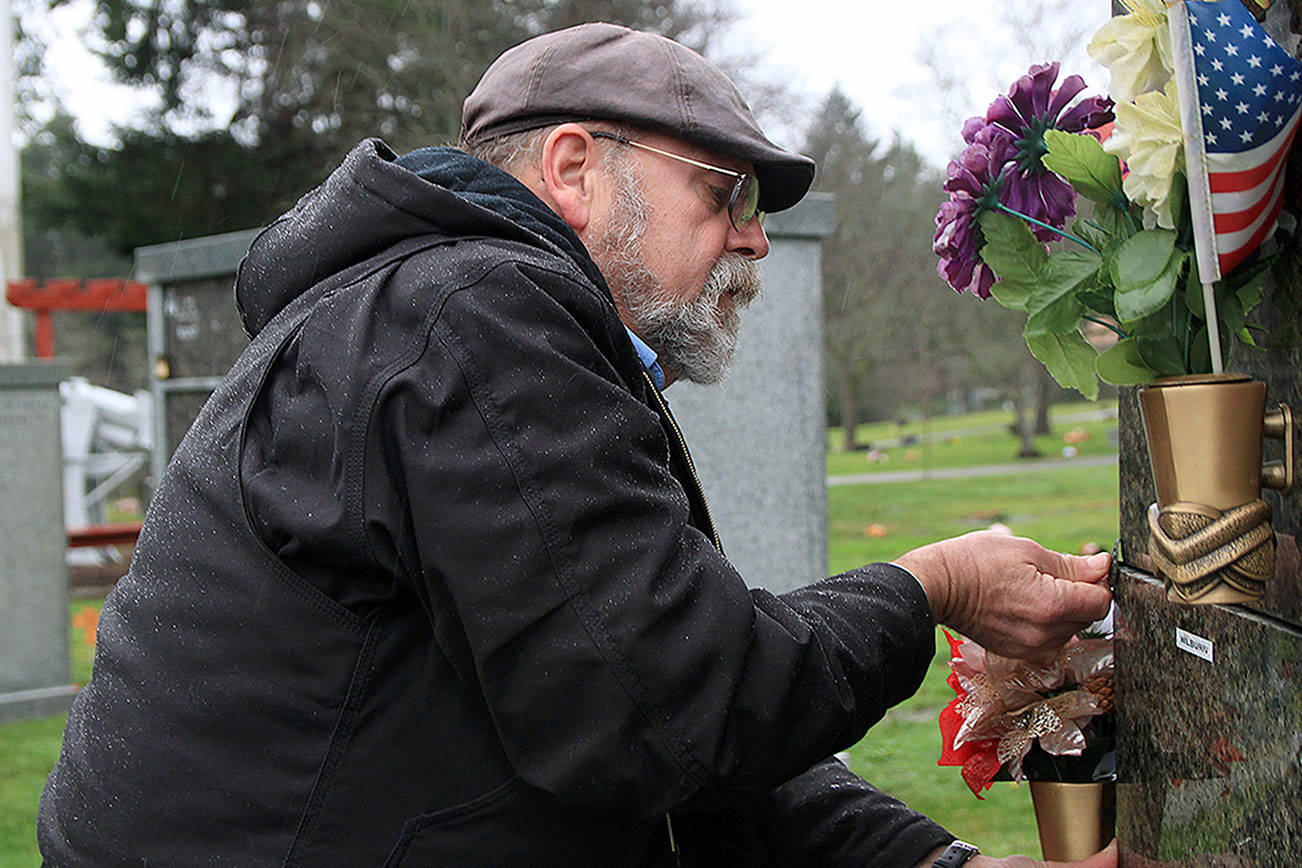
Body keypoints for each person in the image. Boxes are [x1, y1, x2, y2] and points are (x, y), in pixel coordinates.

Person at [39, 23, 1116, 868]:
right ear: (573, 168)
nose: (751, 235)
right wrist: (933, 582)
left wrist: (927, 859)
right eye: (723, 190)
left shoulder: (449, 314)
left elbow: (634, 698)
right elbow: (669, 708)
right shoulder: (471, 314)